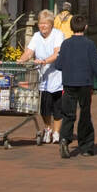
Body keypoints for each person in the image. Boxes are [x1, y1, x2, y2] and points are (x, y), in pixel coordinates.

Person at [56, 15, 97, 158]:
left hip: (68, 83)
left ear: (71, 28)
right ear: (85, 27)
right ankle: (86, 147)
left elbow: (58, 65)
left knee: (68, 114)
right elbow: (96, 64)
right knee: (85, 114)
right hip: (85, 83)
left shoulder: (65, 44)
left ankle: (65, 139)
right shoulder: (89, 44)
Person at [20, 9, 65, 143]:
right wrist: (21, 60)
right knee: (44, 107)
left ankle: (56, 132)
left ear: (51, 24)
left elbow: (57, 53)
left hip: (56, 76)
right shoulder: (36, 36)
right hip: (42, 77)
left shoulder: (58, 35)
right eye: (40, 23)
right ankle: (48, 129)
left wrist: (45, 61)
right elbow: (29, 51)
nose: (42, 26)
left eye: (45, 24)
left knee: (57, 107)